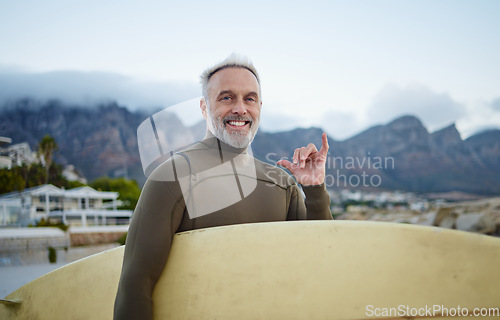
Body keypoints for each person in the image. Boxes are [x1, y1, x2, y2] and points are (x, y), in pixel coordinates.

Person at [114, 54, 333, 319]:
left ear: (260, 107)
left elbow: (320, 257)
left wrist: (315, 189)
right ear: (204, 108)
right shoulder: (172, 175)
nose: (240, 108)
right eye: (226, 97)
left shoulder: (282, 182)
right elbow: (136, 285)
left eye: (249, 98)